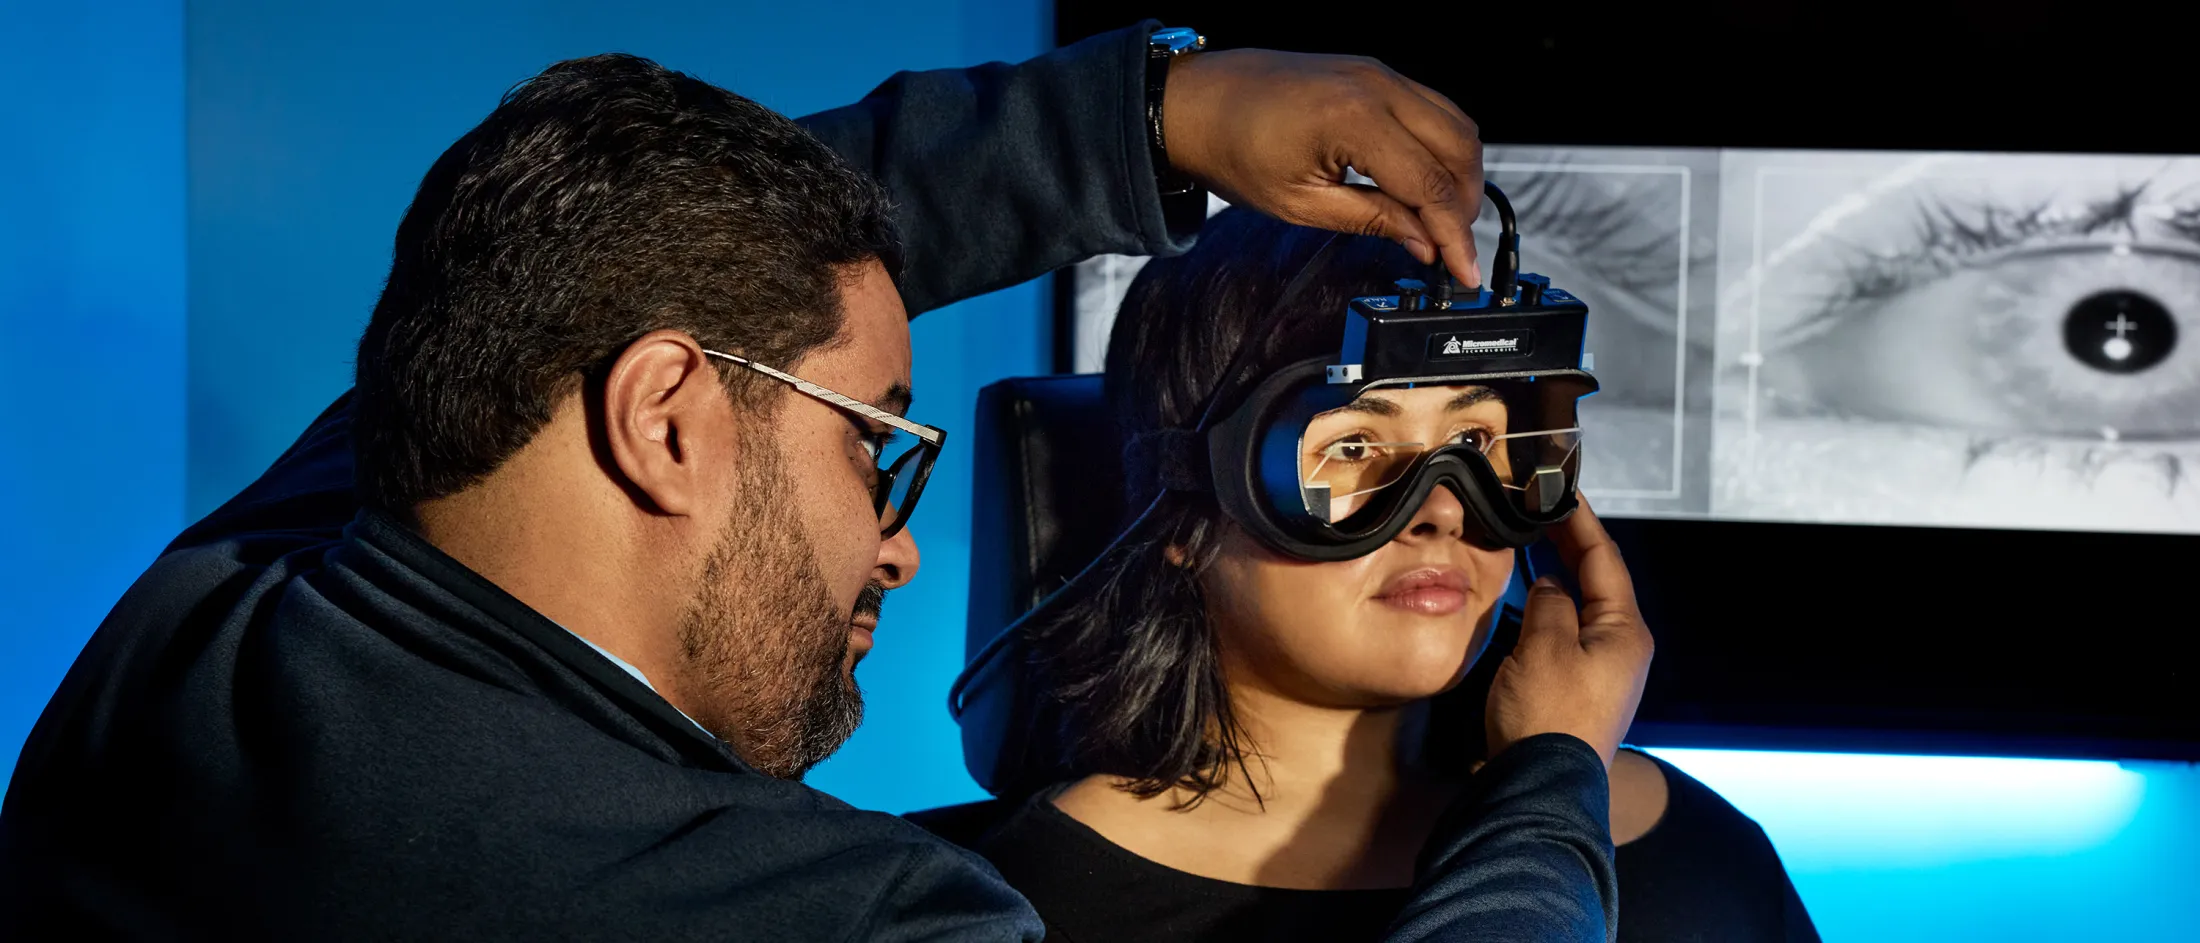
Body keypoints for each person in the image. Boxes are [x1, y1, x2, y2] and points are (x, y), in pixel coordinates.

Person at [0, 23, 1649, 941]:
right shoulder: (846, 921)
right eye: (872, 437)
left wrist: (1150, 115)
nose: (901, 545)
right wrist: (1548, 793)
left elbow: (645, 262)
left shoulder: (208, 629)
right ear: (664, 419)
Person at [907, 207, 1813, 942]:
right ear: (1179, 515)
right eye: (1351, 446)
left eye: (1477, 443)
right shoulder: (982, 913)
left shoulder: (1696, 848)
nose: (1443, 508)